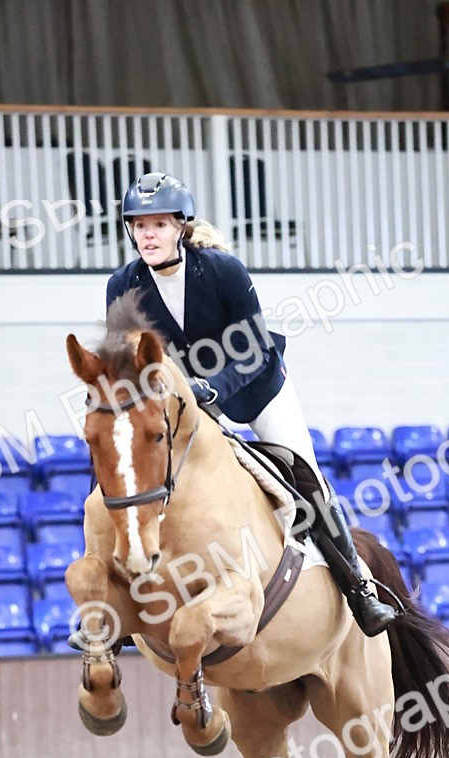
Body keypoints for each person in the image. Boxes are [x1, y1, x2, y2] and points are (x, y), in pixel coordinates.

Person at [105, 171, 396, 638]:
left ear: (181, 226)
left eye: (158, 224)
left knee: (305, 474)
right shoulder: (123, 285)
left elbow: (255, 349)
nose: (148, 235)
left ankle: (360, 590)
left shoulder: (223, 271)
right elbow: (126, 360)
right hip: (190, 404)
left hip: (258, 388)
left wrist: (210, 388)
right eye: (139, 226)